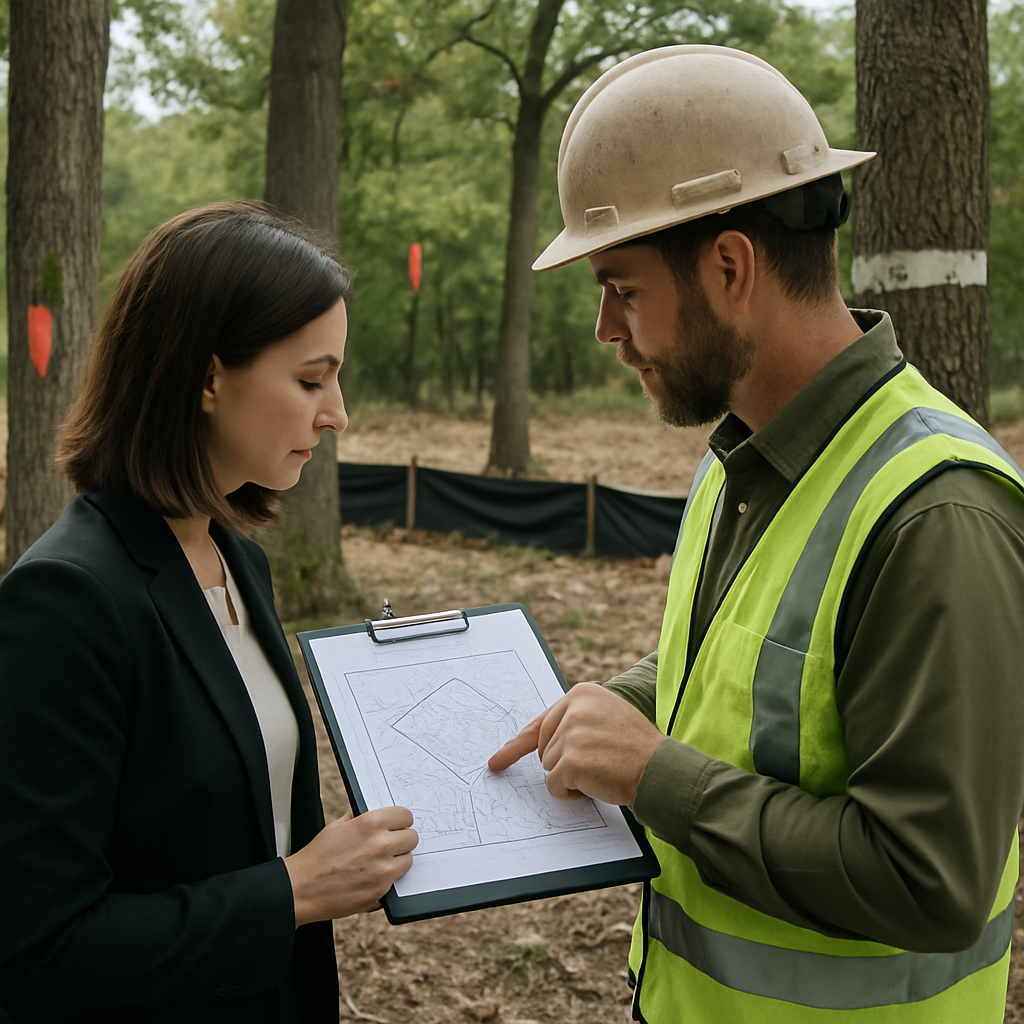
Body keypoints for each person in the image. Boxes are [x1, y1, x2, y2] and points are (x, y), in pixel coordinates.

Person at [490, 45, 1024, 1022]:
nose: (608, 330)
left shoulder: (935, 514)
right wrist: (614, 704)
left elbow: (929, 879)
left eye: (624, 287)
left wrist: (652, 774)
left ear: (730, 267)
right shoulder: (742, 454)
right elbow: (758, 679)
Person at [0, 201, 419, 1023]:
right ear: (204, 374)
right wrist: (292, 892)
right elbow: (34, 949)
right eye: (310, 379)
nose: (337, 414)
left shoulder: (237, 563)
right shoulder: (67, 601)